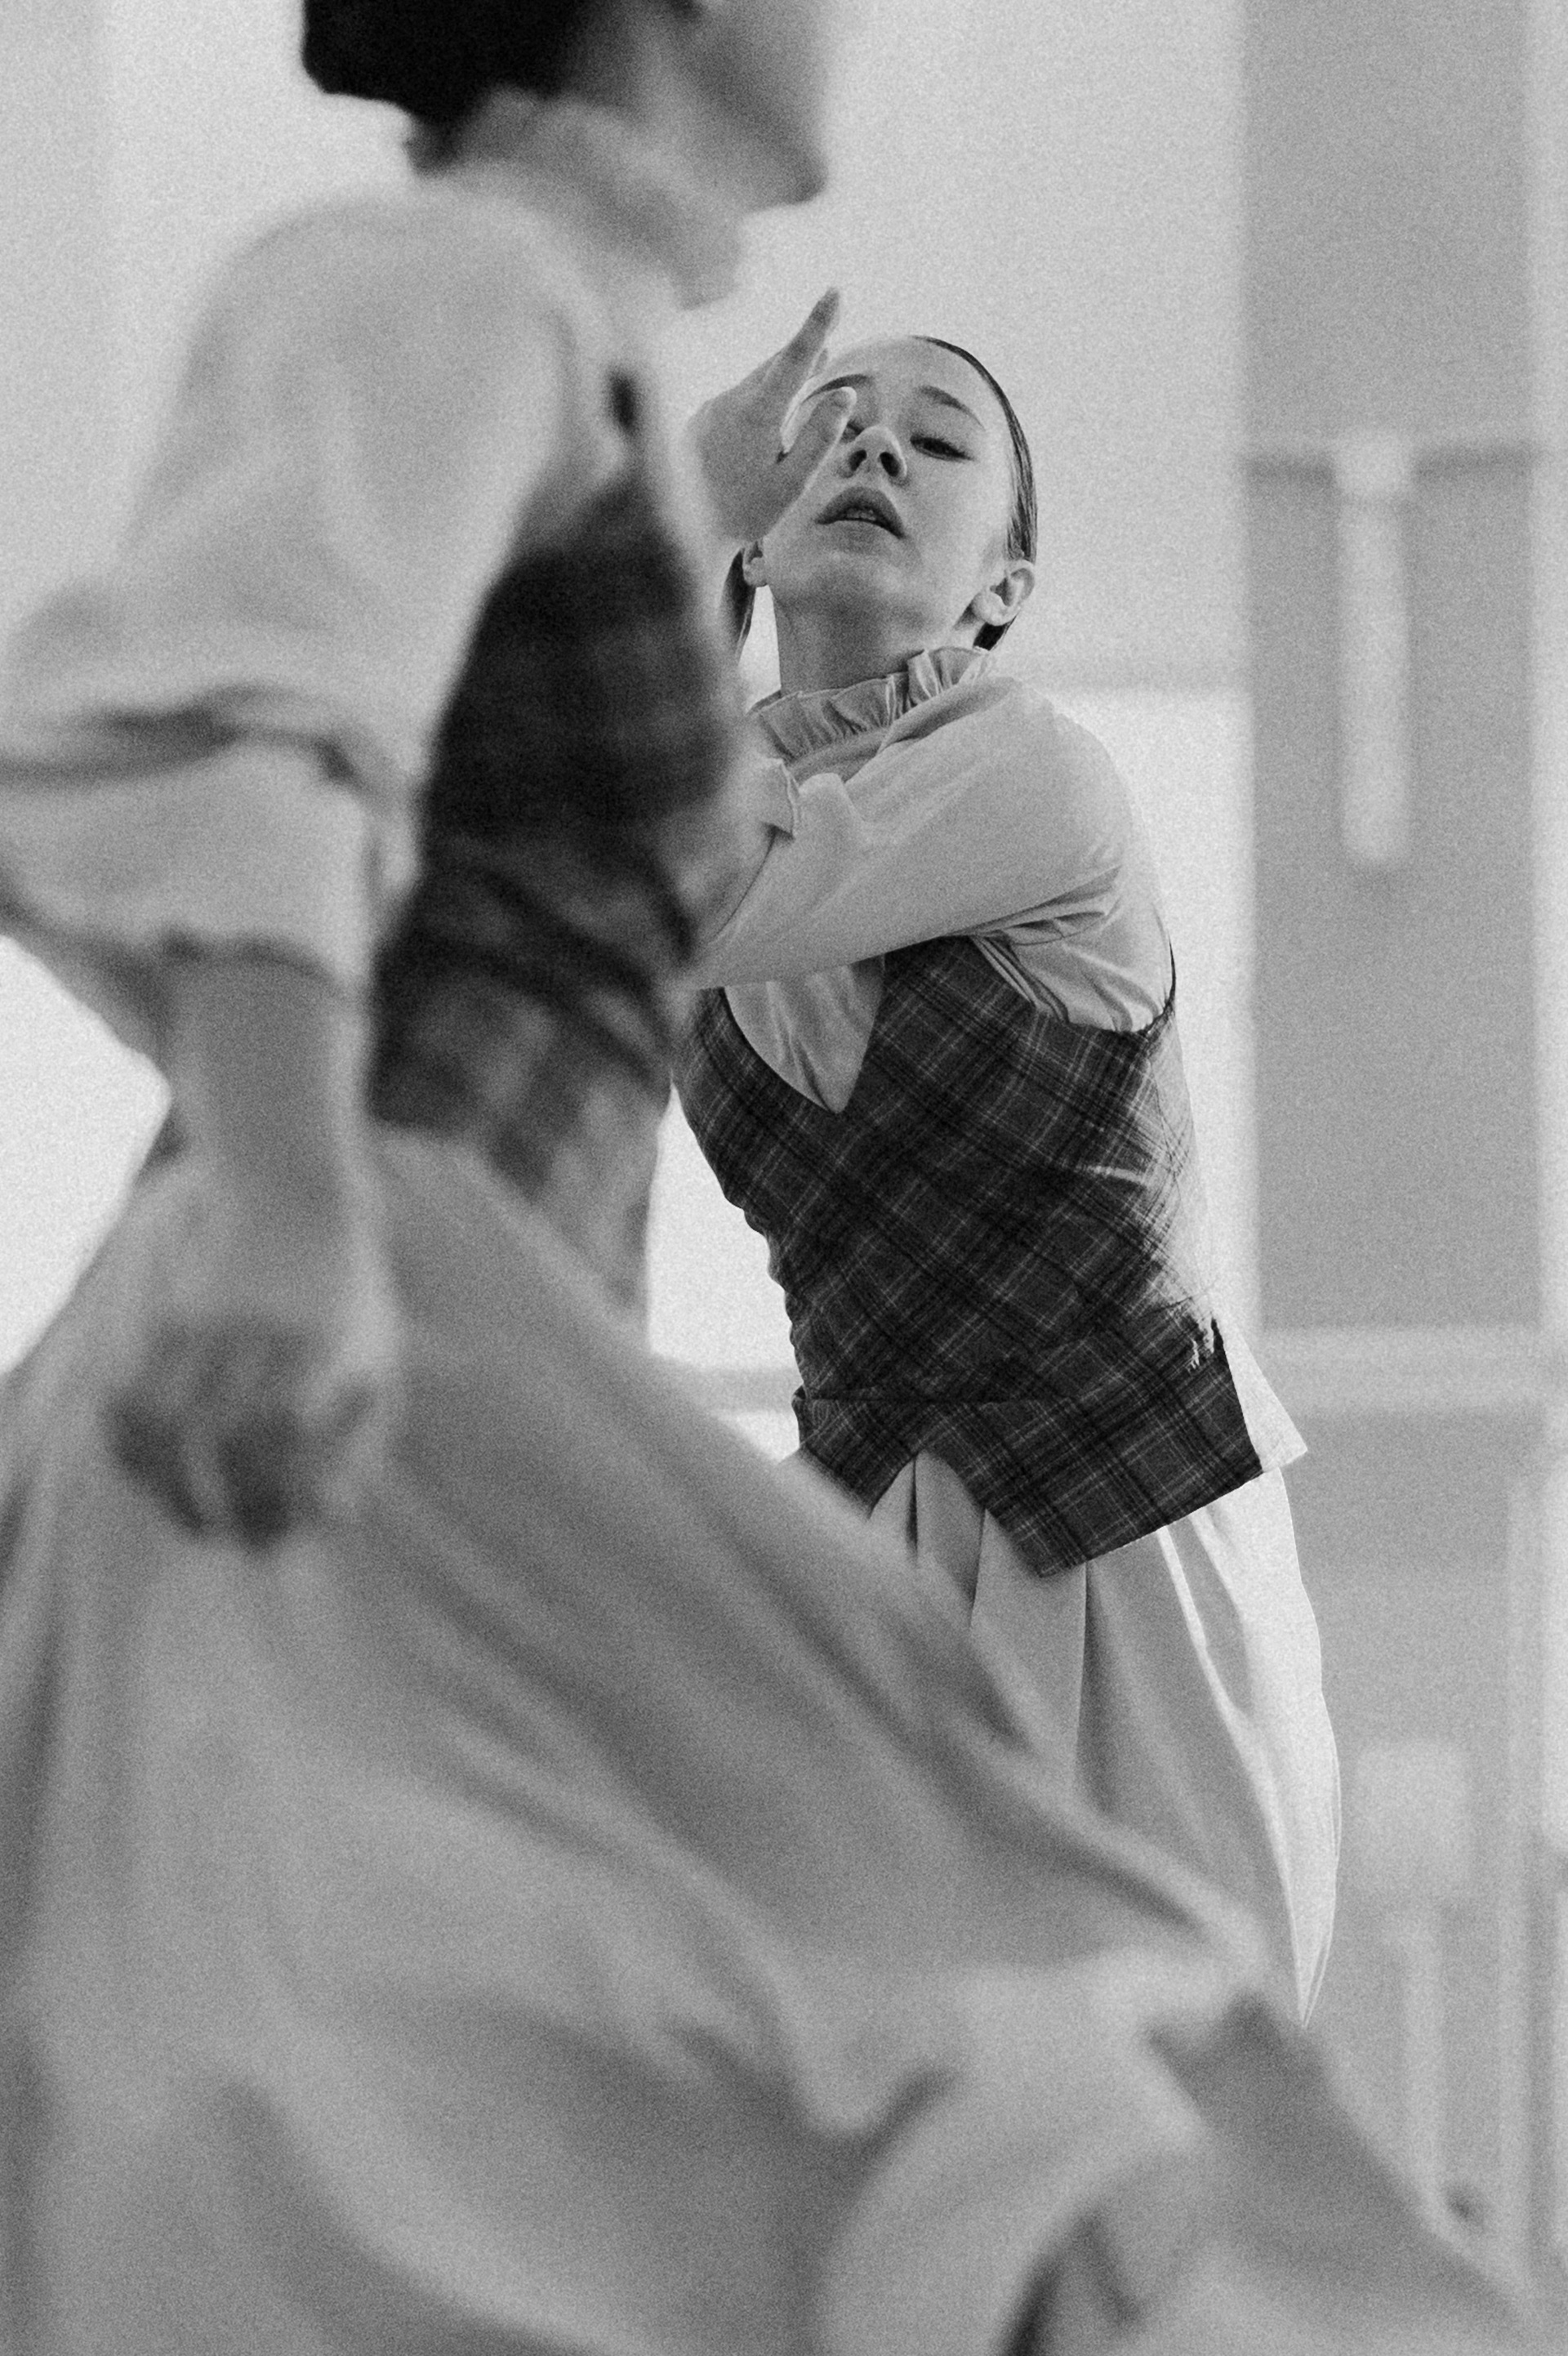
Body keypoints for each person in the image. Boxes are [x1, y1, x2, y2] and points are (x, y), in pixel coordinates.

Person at [0, 6, 1538, 2350]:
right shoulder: (448, 286)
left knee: (992, 2111)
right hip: (370, 1356)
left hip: (553, 1386)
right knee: (442, 2155)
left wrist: (665, 495)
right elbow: (218, 751)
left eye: (936, 445)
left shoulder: (596, 379)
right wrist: (294, 1209)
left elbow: (483, 836)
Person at [675, 331, 1342, 2020]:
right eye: (833, 428)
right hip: (879, 1560)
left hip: (1126, 1546)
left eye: (938, 440)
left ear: (1000, 594)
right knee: (884, 2117)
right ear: (765, 541)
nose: (873, 451)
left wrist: (683, 537)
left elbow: (681, 889)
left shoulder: (1041, 777)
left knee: (1178, 2104)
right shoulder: (712, 792)